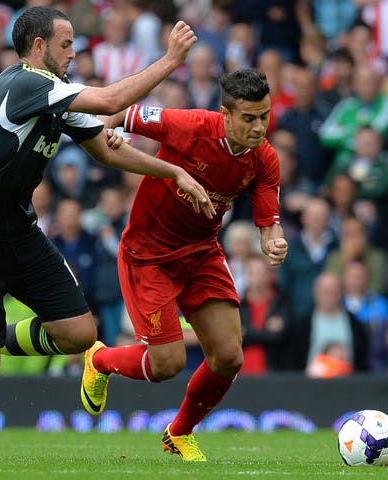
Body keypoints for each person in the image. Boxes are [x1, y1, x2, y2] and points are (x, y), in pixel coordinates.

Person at [0, 6, 214, 461]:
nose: (73, 53)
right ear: (39, 47)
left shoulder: (54, 97)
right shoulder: (24, 83)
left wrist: (173, 172)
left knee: (78, 332)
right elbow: (112, 102)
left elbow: (108, 153)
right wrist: (170, 60)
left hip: (18, 230)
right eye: (65, 44)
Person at [82, 68, 288, 461]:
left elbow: (268, 225)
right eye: (248, 118)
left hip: (201, 251)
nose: (259, 127)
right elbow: (116, 111)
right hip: (149, 255)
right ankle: (99, 359)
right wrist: (111, 135)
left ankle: (178, 433)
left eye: (264, 116)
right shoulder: (189, 125)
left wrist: (274, 243)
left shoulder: (265, 159)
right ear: (225, 115)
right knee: (167, 363)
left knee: (229, 357)